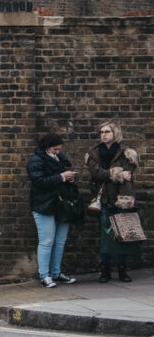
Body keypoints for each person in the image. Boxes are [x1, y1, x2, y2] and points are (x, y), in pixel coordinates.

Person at [85, 121, 141, 283]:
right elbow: (96, 173)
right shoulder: (93, 152)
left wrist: (109, 174)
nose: (103, 134)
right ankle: (105, 271)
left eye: (107, 131)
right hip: (103, 199)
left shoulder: (127, 153)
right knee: (105, 237)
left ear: (115, 133)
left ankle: (123, 270)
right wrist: (116, 174)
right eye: (102, 131)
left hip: (122, 199)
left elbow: (128, 173)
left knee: (122, 235)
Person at [27, 132, 78, 288]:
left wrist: (68, 178)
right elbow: (39, 182)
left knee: (60, 241)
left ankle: (56, 273)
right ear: (47, 147)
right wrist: (62, 177)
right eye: (55, 149)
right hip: (44, 205)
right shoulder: (36, 161)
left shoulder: (59, 159)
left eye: (59, 149)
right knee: (47, 241)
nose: (58, 151)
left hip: (60, 204)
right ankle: (44, 275)